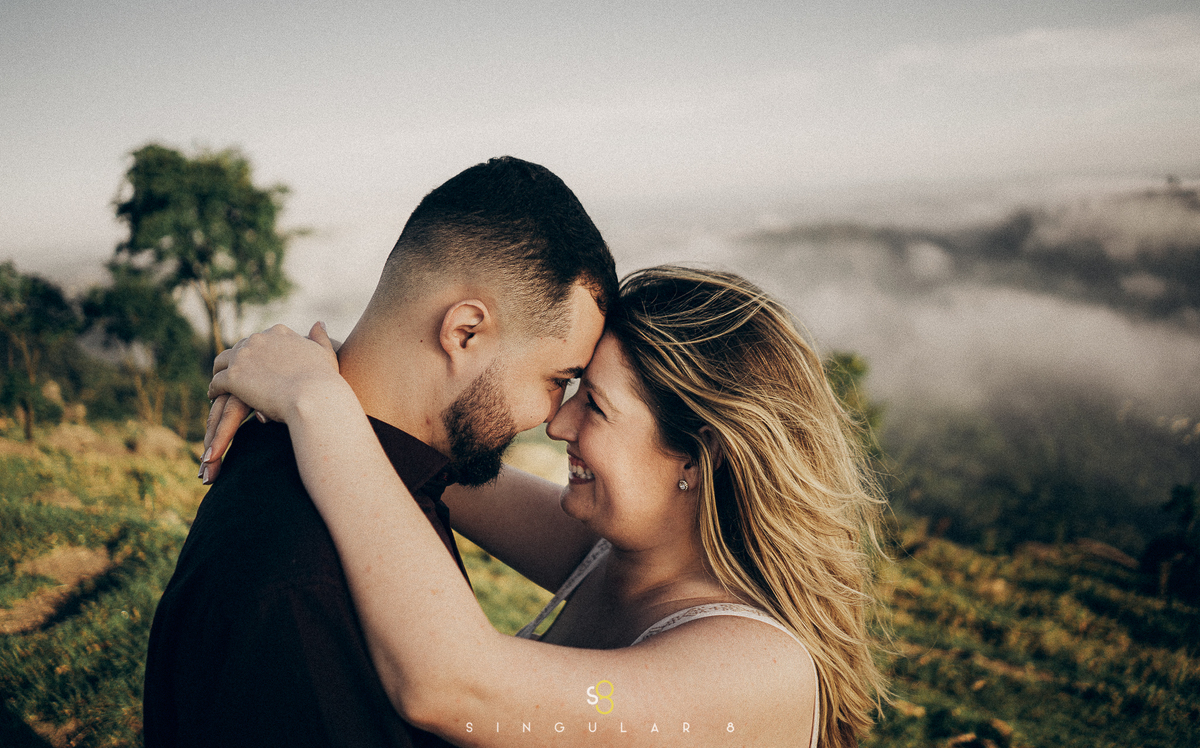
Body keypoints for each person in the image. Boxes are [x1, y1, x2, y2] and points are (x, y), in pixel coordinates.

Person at [203, 265, 888, 747]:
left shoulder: (754, 671)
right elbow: (419, 456)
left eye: (595, 405)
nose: (559, 426)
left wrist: (315, 402)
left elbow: (455, 686)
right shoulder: (615, 553)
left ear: (698, 458)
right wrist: (306, 368)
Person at [143, 156, 618, 748]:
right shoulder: (306, 583)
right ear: (464, 332)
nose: (554, 418)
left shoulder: (333, 466)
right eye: (557, 378)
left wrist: (315, 386)